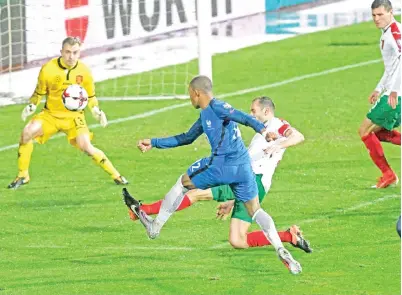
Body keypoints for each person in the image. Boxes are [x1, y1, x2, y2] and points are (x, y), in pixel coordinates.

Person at [123, 76, 302, 274]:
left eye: (190, 93)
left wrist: (263, 131)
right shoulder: (205, 115)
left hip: (222, 165)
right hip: (243, 169)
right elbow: (186, 138)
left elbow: (243, 117)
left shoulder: (218, 106)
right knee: (255, 210)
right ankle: (280, 248)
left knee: (183, 183)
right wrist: (154, 142)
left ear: (197, 93)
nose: (189, 97)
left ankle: (155, 227)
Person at [7, 37, 128, 189]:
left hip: (74, 117)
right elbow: (39, 92)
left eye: (75, 52)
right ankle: (23, 175)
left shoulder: (84, 71)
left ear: (79, 53)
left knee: (86, 146)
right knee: (26, 133)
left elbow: (90, 96)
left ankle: (116, 175)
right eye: (68, 52)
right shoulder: (48, 69)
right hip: (50, 115)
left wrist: (96, 110)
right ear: (61, 52)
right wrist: (32, 105)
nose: (71, 56)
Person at [358, 0, 401, 189]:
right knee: (375, 132)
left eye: (380, 14)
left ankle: (388, 174)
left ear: (391, 12)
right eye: (374, 15)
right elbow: (391, 68)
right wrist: (378, 88)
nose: (376, 19)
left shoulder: (395, 33)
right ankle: (388, 174)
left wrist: (394, 91)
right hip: (392, 91)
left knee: (365, 131)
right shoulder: (387, 33)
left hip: (396, 94)